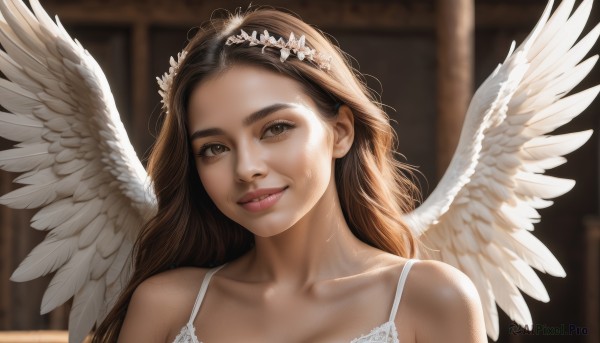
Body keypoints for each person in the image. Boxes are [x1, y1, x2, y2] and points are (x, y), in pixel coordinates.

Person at [92, 7, 486, 343]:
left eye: (275, 128)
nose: (247, 168)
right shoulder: (166, 306)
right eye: (214, 148)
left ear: (341, 132)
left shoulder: (433, 298)